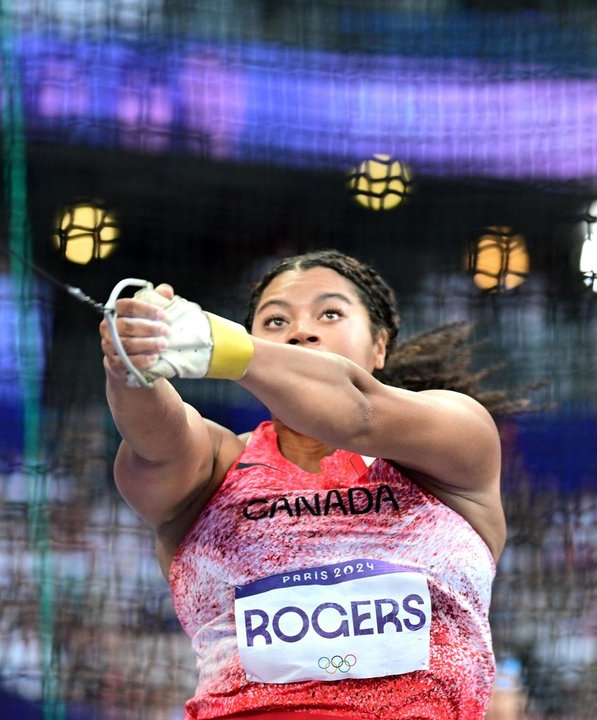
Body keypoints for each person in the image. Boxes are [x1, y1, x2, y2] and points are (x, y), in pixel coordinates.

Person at [98, 250, 533, 720]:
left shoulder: (453, 435)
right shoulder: (216, 466)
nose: (301, 331)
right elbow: (155, 441)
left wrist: (218, 345)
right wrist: (133, 365)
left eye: (330, 313)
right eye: (275, 320)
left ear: (379, 345)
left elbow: (357, 413)